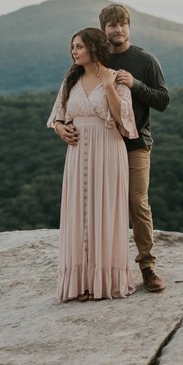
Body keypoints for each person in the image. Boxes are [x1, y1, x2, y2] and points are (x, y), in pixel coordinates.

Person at [53, 4, 170, 293]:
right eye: (112, 25)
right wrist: (59, 126)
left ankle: (147, 266)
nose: (118, 29)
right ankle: (95, 272)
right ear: (103, 30)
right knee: (97, 204)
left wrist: (136, 84)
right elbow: (66, 105)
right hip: (99, 144)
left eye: (122, 24)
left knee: (136, 202)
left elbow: (163, 100)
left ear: (129, 27)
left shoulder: (144, 60)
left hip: (136, 142)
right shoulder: (93, 63)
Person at [47, 27, 139, 302]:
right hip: (77, 153)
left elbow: (125, 123)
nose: (74, 52)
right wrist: (61, 130)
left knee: (105, 212)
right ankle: (81, 283)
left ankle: (104, 283)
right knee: (78, 213)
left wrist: (109, 86)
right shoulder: (70, 80)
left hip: (108, 148)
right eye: (72, 47)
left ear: (94, 48)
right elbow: (57, 117)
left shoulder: (117, 80)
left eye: (79, 46)